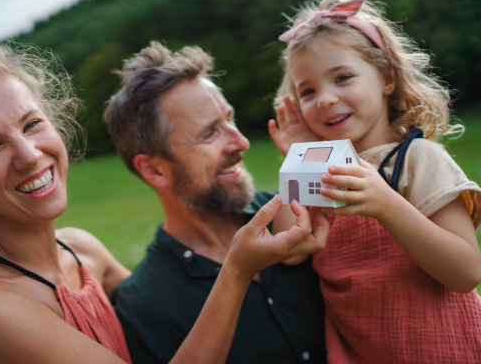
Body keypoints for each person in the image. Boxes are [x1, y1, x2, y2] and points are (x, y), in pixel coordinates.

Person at [0, 43, 329, 363]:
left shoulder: (82, 251)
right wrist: (236, 270)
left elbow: (164, 308)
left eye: (32, 124)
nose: (29, 155)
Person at [268, 0, 481, 363]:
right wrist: (299, 160)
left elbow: (465, 273)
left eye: (343, 77)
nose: (326, 99)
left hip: (442, 349)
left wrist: (387, 205)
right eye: (308, 91)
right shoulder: (320, 169)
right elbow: (288, 251)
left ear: (386, 78)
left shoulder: (417, 158)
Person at [105, 41, 328, 364]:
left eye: (230, 118)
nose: (241, 142)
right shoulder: (142, 304)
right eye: (210, 133)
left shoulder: (301, 213)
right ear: (154, 169)